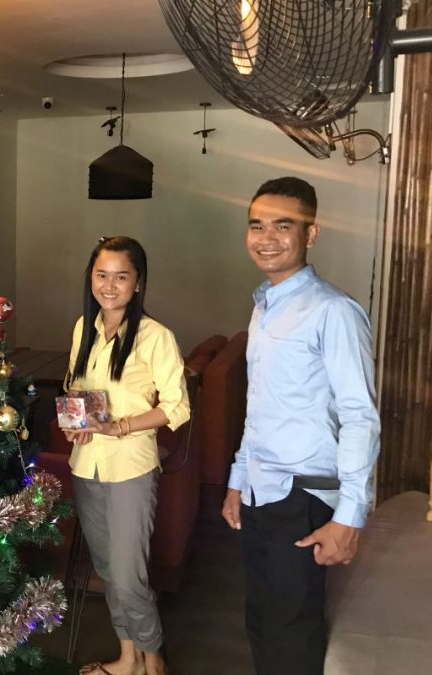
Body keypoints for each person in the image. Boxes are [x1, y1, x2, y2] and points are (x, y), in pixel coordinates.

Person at [221, 177, 380, 675]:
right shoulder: (264, 307)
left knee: (293, 633)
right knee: (263, 621)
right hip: (261, 491)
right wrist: (236, 479)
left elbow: (360, 416)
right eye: (257, 225)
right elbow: (260, 406)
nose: (266, 237)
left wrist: (350, 516)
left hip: (305, 496)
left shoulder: (333, 311)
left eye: (282, 226)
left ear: (310, 234)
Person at [63, 236, 190, 675]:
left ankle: (154, 661)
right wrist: (76, 420)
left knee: (129, 573)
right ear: (91, 278)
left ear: (138, 283)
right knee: (106, 567)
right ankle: (127, 656)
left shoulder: (156, 337)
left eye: (122, 276)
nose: (110, 285)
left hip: (131, 467)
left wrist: (118, 426)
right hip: (87, 465)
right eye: (102, 275)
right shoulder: (85, 327)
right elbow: (76, 385)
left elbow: (177, 406)